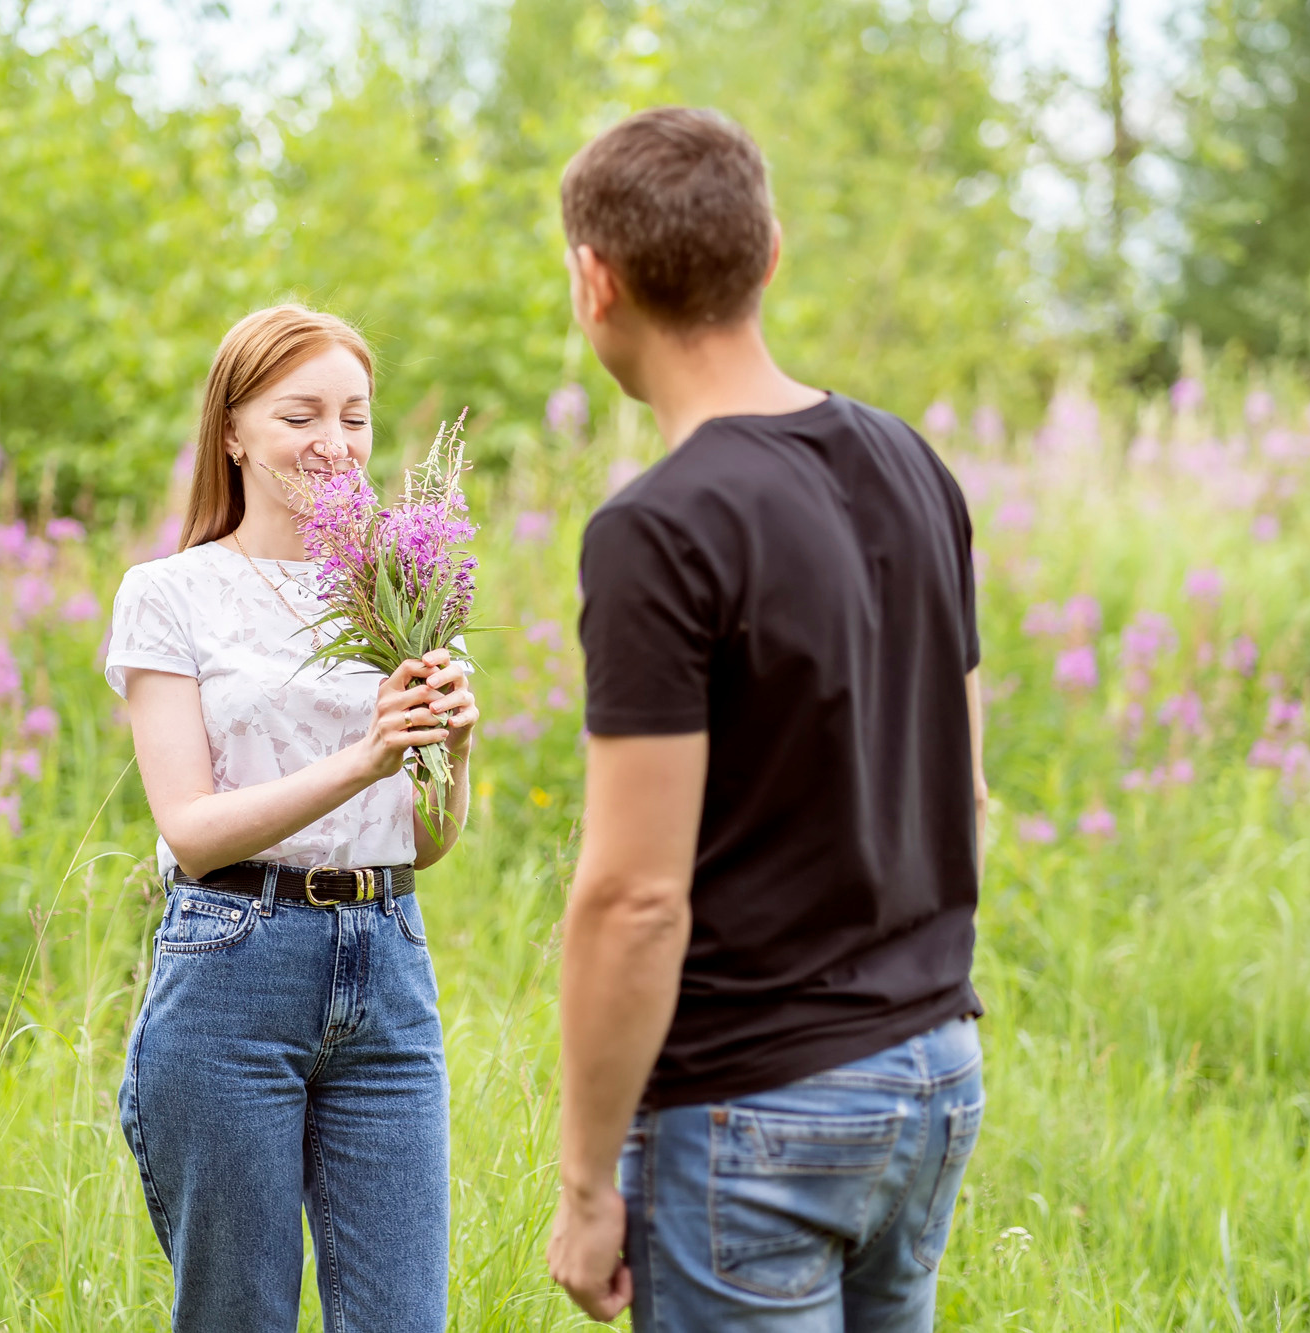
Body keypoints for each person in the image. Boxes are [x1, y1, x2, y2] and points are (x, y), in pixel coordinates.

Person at [544, 108, 990, 1331]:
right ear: (770, 254)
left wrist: (586, 1183)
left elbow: (633, 897)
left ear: (597, 281)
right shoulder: (912, 464)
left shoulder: (656, 528)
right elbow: (966, 790)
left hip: (754, 1106)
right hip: (934, 1067)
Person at [105, 304, 478, 1332]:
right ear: (231, 429)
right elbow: (190, 828)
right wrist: (366, 753)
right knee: (238, 1317)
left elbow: (426, 842)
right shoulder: (171, 595)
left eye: (354, 418)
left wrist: (450, 744)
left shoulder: (398, 590)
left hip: (389, 966)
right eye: (299, 414)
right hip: (232, 968)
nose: (335, 443)